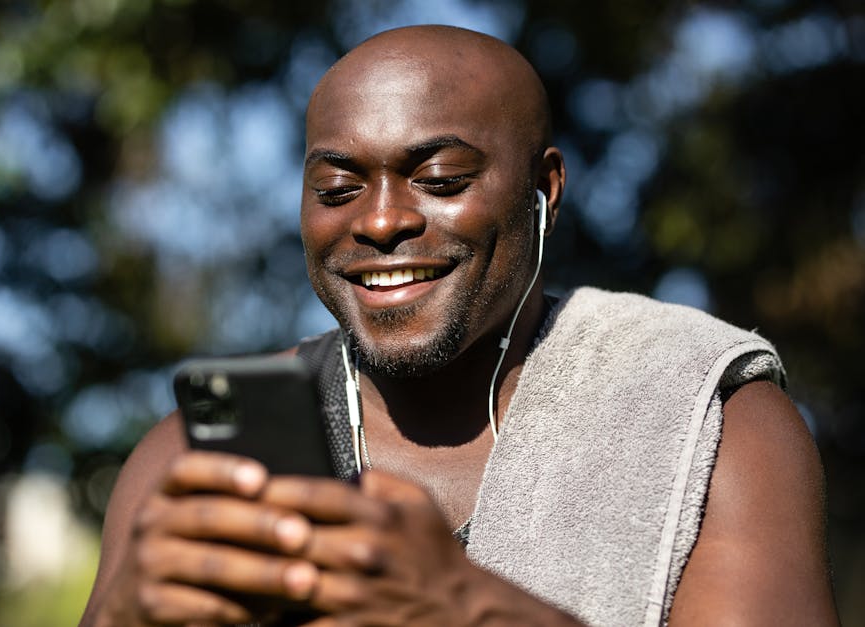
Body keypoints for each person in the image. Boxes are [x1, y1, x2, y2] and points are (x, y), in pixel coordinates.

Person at [80, 25, 838, 626]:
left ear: (545, 188)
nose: (380, 221)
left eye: (440, 181)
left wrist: (474, 609)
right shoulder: (197, 450)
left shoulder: (704, 416)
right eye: (337, 188)